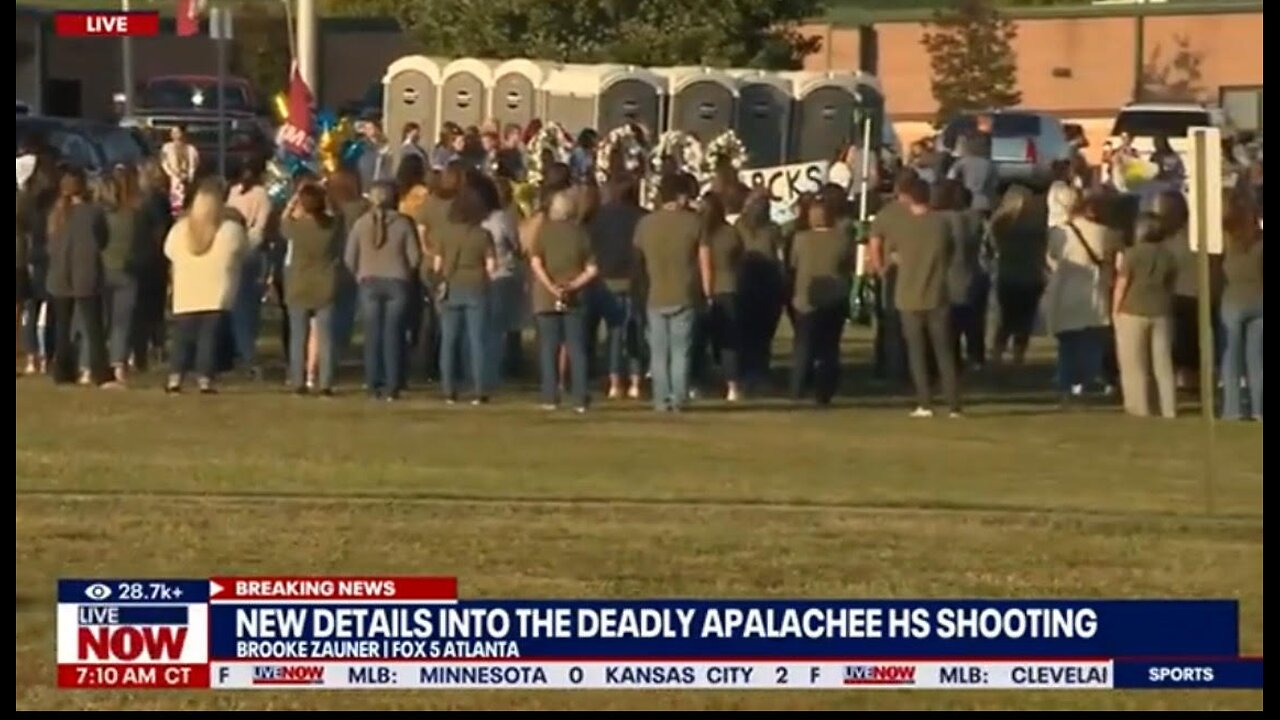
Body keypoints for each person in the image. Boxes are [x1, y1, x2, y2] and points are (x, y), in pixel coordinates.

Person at [633, 173, 712, 412]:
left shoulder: (645, 224)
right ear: (680, 196)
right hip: (684, 292)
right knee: (680, 350)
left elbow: (637, 260)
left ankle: (661, 398)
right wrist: (707, 292)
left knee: (658, 352)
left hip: (655, 293)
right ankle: (678, 397)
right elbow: (704, 260)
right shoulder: (694, 223)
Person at [164, 179, 247, 394]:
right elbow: (244, 249)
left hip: (186, 292)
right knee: (208, 338)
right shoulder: (230, 230)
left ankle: (175, 377)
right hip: (216, 292)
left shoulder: (179, 230)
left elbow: (168, 252)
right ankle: (205, 379)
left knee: (182, 337)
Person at [889, 177, 960, 418]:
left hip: (908, 295)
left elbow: (894, 254)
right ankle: (953, 404)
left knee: (917, 353)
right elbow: (950, 252)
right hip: (937, 293)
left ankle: (924, 402)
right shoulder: (942, 224)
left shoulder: (902, 226)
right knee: (944, 351)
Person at [1043, 189, 1121, 403]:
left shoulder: (1060, 233)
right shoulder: (1108, 234)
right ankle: (1085, 380)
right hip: (1095, 291)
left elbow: (1052, 260)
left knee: (1067, 344)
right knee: (1092, 341)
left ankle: (1066, 384)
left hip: (1065, 291)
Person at [345, 182, 421, 400]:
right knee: (393, 333)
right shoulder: (404, 223)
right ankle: (392, 383)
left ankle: (372, 382)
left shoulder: (361, 224)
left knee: (372, 335)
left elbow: (350, 257)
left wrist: (360, 273)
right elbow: (414, 256)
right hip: (397, 280)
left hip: (368, 280)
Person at [45, 168, 115, 388]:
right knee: (93, 327)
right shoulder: (92, 213)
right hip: (86, 273)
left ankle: (62, 371)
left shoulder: (55, 214)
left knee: (63, 327)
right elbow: (103, 239)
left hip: (59, 274)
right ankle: (100, 372)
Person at [529, 190, 598, 411]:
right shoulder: (581, 234)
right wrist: (573, 285)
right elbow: (592, 269)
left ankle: (550, 396)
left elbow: (536, 263)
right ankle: (580, 397)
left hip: (546, 296)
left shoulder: (543, 232)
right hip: (575, 296)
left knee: (549, 348)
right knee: (576, 348)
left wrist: (551, 287)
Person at [432, 177, 496, 404]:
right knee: (477, 340)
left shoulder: (444, 233)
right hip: (476, 286)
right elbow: (491, 267)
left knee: (449, 341)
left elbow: (437, 266)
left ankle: (448, 389)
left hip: (451, 286)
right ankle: (479, 389)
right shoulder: (483, 235)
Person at [787, 193, 854, 407]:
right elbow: (848, 265)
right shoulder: (842, 239)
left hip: (806, 299)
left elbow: (793, 264)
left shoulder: (801, 240)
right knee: (830, 347)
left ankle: (797, 388)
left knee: (803, 345)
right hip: (833, 298)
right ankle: (824, 391)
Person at [1112, 213, 1177, 418]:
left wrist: (1115, 311)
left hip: (1133, 310)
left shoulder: (1132, 254)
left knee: (1134, 364)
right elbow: (1171, 284)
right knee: (1163, 365)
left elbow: (1122, 284)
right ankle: (1169, 409)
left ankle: (1139, 408)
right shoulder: (1169, 255)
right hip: (1161, 310)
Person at [589, 173, 647, 400]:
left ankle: (614, 381)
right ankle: (635, 380)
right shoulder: (641, 217)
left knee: (614, 333)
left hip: (606, 279)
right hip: (633, 279)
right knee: (634, 331)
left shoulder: (599, 217)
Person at [281, 183, 343, 396]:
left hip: (298, 284)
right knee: (325, 338)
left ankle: (298, 381)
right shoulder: (331, 227)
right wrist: (327, 196)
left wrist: (293, 200)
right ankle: (325, 382)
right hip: (325, 284)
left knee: (298, 336)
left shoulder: (296, 228)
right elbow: (339, 214)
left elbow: (283, 220)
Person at [98, 165, 155, 382]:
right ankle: (118, 364)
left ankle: (89, 363)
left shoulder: (102, 214)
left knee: (100, 320)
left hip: (103, 269)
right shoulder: (136, 214)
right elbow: (144, 246)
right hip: (127, 270)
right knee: (122, 322)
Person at [866, 170, 919, 384]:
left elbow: (875, 244)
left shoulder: (885, 214)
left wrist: (879, 269)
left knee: (889, 324)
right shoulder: (921, 212)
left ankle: (888, 368)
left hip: (891, 274)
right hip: (915, 273)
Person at [990, 185, 1048, 366]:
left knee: (1006, 318)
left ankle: (997, 354)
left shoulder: (1001, 222)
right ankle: (1018, 356)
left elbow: (993, 245)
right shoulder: (1038, 224)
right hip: (1032, 275)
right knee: (1025, 320)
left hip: (1008, 274)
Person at [932, 179, 986, 372]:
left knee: (951, 323)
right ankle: (975, 357)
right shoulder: (975, 218)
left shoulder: (943, 219)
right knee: (974, 322)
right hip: (973, 272)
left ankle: (954, 360)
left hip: (950, 274)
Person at [225, 157, 272, 377]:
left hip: (230, 248)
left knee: (233, 302)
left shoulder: (232, 192)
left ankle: (236, 350)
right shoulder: (261, 195)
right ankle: (247, 354)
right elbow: (260, 227)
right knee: (247, 306)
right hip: (249, 251)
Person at [474, 173, 522, 391]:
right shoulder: (502, 219)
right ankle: (494, 372)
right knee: (499, 327)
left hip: (482, 274)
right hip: (502, 273)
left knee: (483, 327)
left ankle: (481, 371)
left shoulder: (477, 218)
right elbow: (515, 244)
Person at [696, 191, 744, 402]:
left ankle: (697, 384)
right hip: (730, 289)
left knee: (699, 342)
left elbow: (705, 267)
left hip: (706, 291)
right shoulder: (731, 233)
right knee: (728, 343)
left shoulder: (701, 235)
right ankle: (732, 386)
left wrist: (707, 294)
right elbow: (739, 258)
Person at [1218, 194, 1263, 421]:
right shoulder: (1260, 242)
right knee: (1257, 360)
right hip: (1259, 299)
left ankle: (1233, 409)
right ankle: (1259, 409)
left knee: (1231, 359)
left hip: (1233, 298)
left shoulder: (1226, 240)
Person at [734, 190, 785, 391]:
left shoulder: (739, 226)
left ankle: (746, 372)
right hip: (766, 283)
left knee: (746, 332)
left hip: (745, 281)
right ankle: (759, 372)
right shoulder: (773, 230)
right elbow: (780, 257)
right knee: (763, 334)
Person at [946, 135, 998, 213]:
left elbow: (950, 178)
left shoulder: (961, 162)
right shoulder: (990, 164)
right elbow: (994, 183)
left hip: (965, 203)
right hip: (986, 203)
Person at [159, 125, 198, 216]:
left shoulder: (191, 149)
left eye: (177, 132)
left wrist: (188, 176)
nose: (175, 135)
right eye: (173, 132)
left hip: (186, 179)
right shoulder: (166, 148)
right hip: (172, 179)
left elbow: (193, 166)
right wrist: (172, 174)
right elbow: (164, 163)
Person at [356, 118, 394, 191]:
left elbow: (388, 163)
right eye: (366, 128)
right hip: (367, 181)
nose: (368, 130)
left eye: (370, 128)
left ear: (377, 128)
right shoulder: (362, 145)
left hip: (382, 182)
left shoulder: (384, 143)